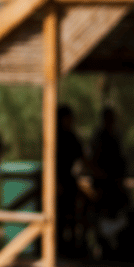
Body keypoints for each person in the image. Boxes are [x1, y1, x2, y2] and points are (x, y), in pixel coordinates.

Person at [90, 108, 129, 256]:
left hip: (115, 186)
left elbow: (120, 162)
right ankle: (104, 247)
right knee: (103, 217)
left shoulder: (115, 137)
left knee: (119, 216)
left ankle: (116, 248)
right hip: (104, 185)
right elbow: (95, 161)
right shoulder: (100, 138)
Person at [56, 105, 86, 258]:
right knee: (58, 218)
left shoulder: (71, 137)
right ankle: (58, 249)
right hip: (57, 182)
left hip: (68, 182)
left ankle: (73, 248)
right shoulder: (54, 137)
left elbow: (83, 158)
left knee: (72, 217)